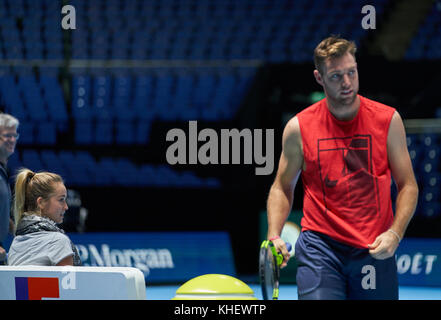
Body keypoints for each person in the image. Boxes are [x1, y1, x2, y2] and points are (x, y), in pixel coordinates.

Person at [266, 36, 418, 300]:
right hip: (320, 249)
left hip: (373, 248)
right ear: (319, 77)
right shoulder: (298, 129)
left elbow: (408, 185)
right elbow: (282, 186)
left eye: (352, 72)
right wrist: (273, 234)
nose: (347, 83)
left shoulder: (388, 120)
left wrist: (395, 233)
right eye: (336, 76)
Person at [7, 168, 81, 266]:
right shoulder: (58, 241)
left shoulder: (16, 242)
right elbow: (70, 282)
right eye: (61, 199)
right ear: (41, 202)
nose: (66, 207)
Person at [0, 113, 19, 265]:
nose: (12, 140)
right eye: (7, 135)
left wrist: (17, 229)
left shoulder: (3, 170)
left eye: (14, 135)